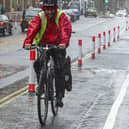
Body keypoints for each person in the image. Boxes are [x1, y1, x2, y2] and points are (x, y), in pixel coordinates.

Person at [23, 0, 72, 107]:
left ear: (55, 8)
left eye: (51, 9)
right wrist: (28, 42)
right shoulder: (40, 16)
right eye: (47, 9)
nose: (49, 12)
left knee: (59, 69)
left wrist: (63, 42)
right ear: (44, 8)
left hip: (58, 45)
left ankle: (59, 96)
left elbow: (65, 30)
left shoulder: (61, 16)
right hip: (44, 44)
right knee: (38, 64)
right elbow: (32, 29)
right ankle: (42, 86)